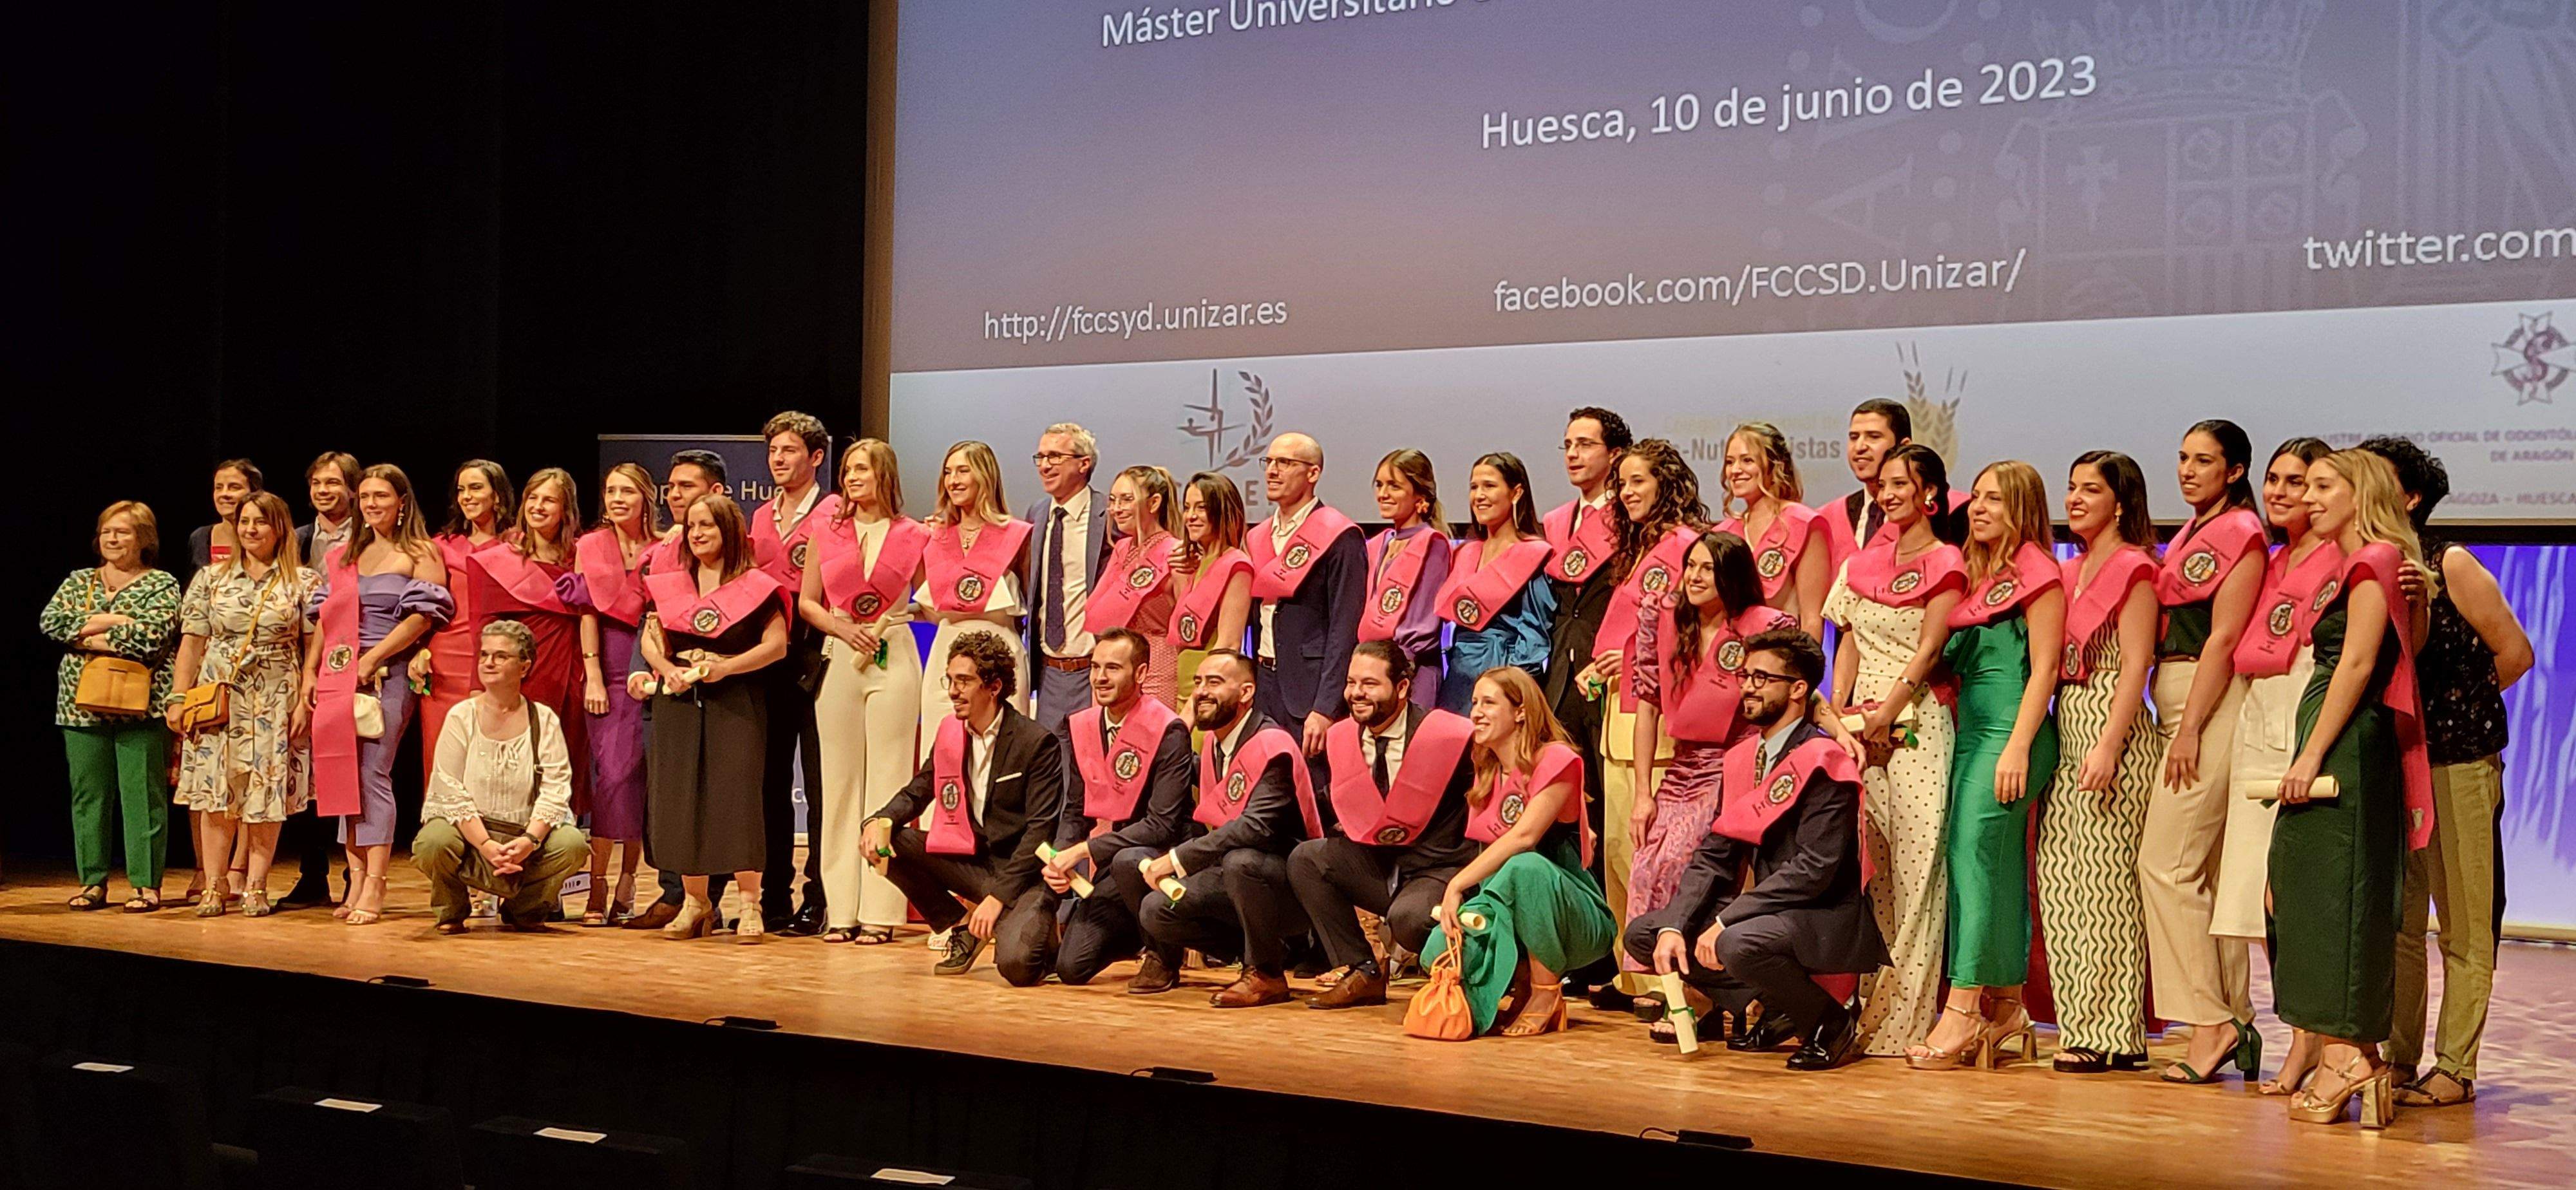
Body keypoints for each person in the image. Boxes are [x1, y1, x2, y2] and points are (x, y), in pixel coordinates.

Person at [2360, 437, 2531, 1110]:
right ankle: (2400, 1057)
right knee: (2401, 922)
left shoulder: (2448, 562)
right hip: (2394, 762)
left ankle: (2455, 1066)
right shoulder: (2368, 565)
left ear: (2407, 497)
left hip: (2456, 763)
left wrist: (2457, 712)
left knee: (2462, 923)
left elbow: (2514, 653)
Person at [1626, 628, 1882, 1070]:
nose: (1748, 687)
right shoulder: (1744, 757)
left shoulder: (1824, 759)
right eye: (1746, 676)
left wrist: (1728, 918)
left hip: (1822, 915)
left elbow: (1815, 869)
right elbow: (1715, 854)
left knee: (1738, 942)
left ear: (1799, 690)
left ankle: (1829, 1023)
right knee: (1647, 934)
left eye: (1762, 678)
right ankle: (1782, 1006)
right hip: (1770, 913)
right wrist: (1675, 923)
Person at [2271, 449, 2436, 1128]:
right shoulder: (2356, 564)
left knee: (2341, 897)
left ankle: (2347, 1056)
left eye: (2321, 486)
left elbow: (2367, 661)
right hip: (2331, 724)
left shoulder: (2370, 562)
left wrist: (2311, 754)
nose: (2307, 497)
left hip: (2346, 738)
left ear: (2357, 492)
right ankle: (2347, 1049)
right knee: (2309, 888)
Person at [1908, 461, 2062, 1070]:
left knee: (1970, 859)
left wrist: (2020, 744)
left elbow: (2045, 668)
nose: (1979, 509)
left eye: (1995, 500)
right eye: (1977, 499)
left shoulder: (2039, 574)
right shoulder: (1975, 574)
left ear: (2021, 507)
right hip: (1971, 734)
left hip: (2010, 735)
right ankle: (2006, 1007)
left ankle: (1963, 1008)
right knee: (1989, 868)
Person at [1823, 442, 1965, 1056]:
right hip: (1860, 725)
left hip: (1916, 722)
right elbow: (1848, 638)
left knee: (1916, 873)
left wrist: (1888, 710)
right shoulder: (1860, 562)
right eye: (1882, 484)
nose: (1888, 494)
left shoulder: (1947, 560)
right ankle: (1864, 1008)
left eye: (1901, 483)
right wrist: (1837, 711)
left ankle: (1902, 1021)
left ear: (1930, 492)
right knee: (1872, 873)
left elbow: (1931, 648)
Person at [2141, 419, 2271, 1084]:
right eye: (2183, 457)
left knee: (2164, 863)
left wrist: (2191, 726)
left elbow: (2223, 638)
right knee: (2208, 878)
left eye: (2204, 461)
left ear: (2235, 470)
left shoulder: (2243, 534)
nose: (2187, 470)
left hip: (2209, 696)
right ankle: (2234, 1021)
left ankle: (2207, 1023)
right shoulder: (2189, 532)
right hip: (2178, 690)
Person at [1623, 531, 1794, 999]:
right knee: (1648, 865)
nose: (1694, 578)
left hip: (1738, 763)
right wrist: (1643, 791)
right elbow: (1648, 705)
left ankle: (1700, 992)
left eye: (1707, 569)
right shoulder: (1664, 619)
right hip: (1681, 766)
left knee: (1691, 862)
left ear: (1731, 577)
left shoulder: (1761, 626)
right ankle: (1673, 980)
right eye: (1690, 567)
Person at [2035, 451, 2162, 1072]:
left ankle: (2117, 1034)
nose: (2076, 498)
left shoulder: (2135, 569)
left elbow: (2137, 663)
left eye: (2091, 489)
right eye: (2071, 486)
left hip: (2116, 730)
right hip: (2070, 721)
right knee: (2064, 879)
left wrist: (2109, 744)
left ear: (2121, 500)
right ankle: (2078, 1024)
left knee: (2109, 885)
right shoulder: (2070, 570)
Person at [2219, 437, 2338, 1093]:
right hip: (2257, 710)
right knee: (2257, 898)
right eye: (2274, 480)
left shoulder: (2343, 559)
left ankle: (2310, 1039)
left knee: (2289, 891)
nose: (2282, 492)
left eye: (2299, 482)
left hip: (2304, 706)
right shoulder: (2269, 559)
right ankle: (2300, 1031)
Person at [1568, 437, 1702, 1001]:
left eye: (1638, 481)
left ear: (1666, 483)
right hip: (1618, 715)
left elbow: (1686, 639)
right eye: (1622, 484)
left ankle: (1666, 980)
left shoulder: (1688, 547)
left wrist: (1621, 662)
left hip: (1661, 721)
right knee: (1622, 851)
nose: (1627, 492)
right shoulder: (1639, 550)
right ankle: (1632, 973)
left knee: (1655, 854)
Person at [1417, 665, 1615, 1037]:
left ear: (1520, 711)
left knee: (1525, 868)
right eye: (1474, 702)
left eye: (1489, 703)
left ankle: (1545, 992)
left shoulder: (1556, 758)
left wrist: (1456, 886)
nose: (1476, 711)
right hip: (1505, 902)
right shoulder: (1488, 769)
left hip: (1575, 916)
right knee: (1436, 950)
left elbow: (1524, 838)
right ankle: (1519, 984)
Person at [861, 631, 1065, 982]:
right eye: (951, 680)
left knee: (1018, 966)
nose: (953, 692)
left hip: (1023, 871)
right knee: (889, 840)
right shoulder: (951, 733)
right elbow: (919, 790)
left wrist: (998, 898)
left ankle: (1036, 930)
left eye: (965, 681)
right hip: (974, 861)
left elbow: (1040, 834)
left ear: (994, 687)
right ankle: (961, 926)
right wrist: (878, 819)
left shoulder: (1036, 743)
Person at [1290, 641, 1479, 1007]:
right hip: (1381, 865)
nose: (1357, 694)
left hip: (1439, 868)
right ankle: (1363, 972)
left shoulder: (1447, 737)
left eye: (1370, 684)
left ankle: (1466, 977)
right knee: (1307, 859)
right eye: (1351, 682)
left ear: (1403, 689)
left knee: (1408, 919)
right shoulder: (1341, 738)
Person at [306, 464, 453, 927]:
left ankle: (377, 883)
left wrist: (372, 660)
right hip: (337, 673)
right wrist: (312, 671)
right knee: (338, 773)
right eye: (366, 496)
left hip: (385, 672)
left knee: (373, 771)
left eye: (382, 497)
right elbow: (325, 618)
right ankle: (354, 877)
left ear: (402, 502)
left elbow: (423, 618)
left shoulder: (420, 551)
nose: (372, 504)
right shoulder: (349, 553)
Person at [1133, 649, 1320, 1006]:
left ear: (1246, 693)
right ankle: (1260, 950)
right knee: (1156, 910)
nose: (1202, 691)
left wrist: (1176, 859)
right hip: (1237, 882)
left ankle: (1266, 973)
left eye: (1215, 683)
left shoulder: (1272, 745)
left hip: (1289, 886)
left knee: (1242, 861)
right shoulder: (1214, 746)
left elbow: (1255, 828)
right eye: (1199, 682)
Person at [642, 493, 788, 943]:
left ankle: (750, 905)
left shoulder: (756, 585)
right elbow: (651, 640)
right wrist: (668, 671)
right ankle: (696, 903)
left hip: (736, 698)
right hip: (679, 699)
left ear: (729, 530)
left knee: (737, 799)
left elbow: (777, 645)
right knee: (682, 797)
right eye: (691, 526)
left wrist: (726, 667)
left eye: (707, 525)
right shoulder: (672, 584)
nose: (699, 534)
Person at [167, 492, 318, 918]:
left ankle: (255, 885)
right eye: (245, 522)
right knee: (217, 793)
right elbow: (192, 642)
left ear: (280, 529)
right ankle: (214, 884)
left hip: (276, 695)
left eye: (261, 522)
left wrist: (306, 698)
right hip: (220, 694)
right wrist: (179, 697)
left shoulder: (303, 582)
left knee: (265, 792)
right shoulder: (212, 579)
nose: (251, 529)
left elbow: (313, 645)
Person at [802, 439, 929, 945]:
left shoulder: (914, 534)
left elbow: (933, 594)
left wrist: (898, 618)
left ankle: (881, 908)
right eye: (849, 469)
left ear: (885, 476)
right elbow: (808, 603)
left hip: (893, 653)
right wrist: (840, 627)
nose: (852, 477)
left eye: (863, 469)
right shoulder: (826, 532)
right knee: (839, 786)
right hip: (841, 657)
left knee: (888, 781)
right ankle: (842, 910)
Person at [44, 501, 182, 912]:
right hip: (80, 705)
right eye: (107, 532)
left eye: (122, 532)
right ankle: (92, 881)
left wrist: (84, 634)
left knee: (142, 794)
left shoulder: (161, 584)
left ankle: (144, 885)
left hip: (141, 705)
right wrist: (113, 622)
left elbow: (151, 637)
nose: (113, 539)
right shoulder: (78, 580)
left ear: (144, 538)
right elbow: (51, 623)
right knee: (89, 797)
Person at [414, 619, 591, 933]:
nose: (489, 663)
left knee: (572, 843)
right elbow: (448, 787)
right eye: (484, 655)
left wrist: (529, 841)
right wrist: (484, 844)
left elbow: (555, 788)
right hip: (472, 835)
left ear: (524, 667)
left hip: (523, 836)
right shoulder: (462, 715)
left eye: (500, 656)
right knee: (434, 840)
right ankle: (451, 909)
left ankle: (525, 910)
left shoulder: (543, 719)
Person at [622, 448, 734, 933]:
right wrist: (646, 668)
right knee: (666, 787)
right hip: (663, 676)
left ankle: (710, 897)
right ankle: (674, 891)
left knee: (715, 794)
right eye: (670, 487)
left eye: (685, 487)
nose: (673, 496)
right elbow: (651, 619)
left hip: (718, 683)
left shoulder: (735, 552)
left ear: (715, 492)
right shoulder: (665, 549)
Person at [1046, 628, 1197, 985]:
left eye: (1112, 668)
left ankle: (1164, 955)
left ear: (1141, 674)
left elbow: (1162, 825)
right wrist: (1061, 856)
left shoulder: (1169, 729)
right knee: (1072, 969)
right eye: (1096, 667)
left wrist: (1085, 850)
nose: (1100, 677)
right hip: (1114, 862)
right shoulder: (1083, 726)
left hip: (1161, 857)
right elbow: (1075, 809)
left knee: (1133, 861)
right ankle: (1136, 927)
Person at [1540, 407, 1630, 999]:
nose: (1572, 454)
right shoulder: (1553, 520)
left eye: (1585, 444)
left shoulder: (1630, 520)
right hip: (1559, 673)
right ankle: (1570, 939)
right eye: (1566, 444)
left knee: (1609, 814)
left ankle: (1610, 954)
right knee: (1567, 809)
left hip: (1611, 674)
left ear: (1616, 455)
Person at [750, 411, 840, 936]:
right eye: (774, 452)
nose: (779, 460)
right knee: (770, 782)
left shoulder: (832, 513)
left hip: (817, 654)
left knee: (821, 783)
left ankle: (820, 893)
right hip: (768, 660)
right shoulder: (761, 517)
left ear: (815, 457)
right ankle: (773, 893)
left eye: (789, 451)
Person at [473, 468, 595, 853]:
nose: (539, 507)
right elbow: (486, 625)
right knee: (516, 767)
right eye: (533, 498)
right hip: (522, 674)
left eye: (550, 500)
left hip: (571, 672)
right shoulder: (499, 559)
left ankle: (552, 871)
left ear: (566, 509)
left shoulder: (583, 555)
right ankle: (503, 859)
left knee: (564, 764)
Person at [1247, 432, 1365, 767]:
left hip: (1309, 692)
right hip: (1264, 683)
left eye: (1285, 463)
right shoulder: (1258, 536)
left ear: (1313, 473)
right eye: (1269, 462)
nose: (1272, 471)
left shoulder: (1339, 535)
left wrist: (1326, 707)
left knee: (1312, 796)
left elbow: (1346, 628)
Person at [574, 461, 658, 925]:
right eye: (610, 491)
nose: (617, 499)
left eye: (627, 491)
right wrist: (592, 675)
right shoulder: (591, 546)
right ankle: (597, 884)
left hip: (648, 662)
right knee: (610, 776)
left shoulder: (664, 547)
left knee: (638, 777)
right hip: (605, 663)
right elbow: (587, 611)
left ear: (646, 496)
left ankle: (629, 882)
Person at [274, 451, 359, 908]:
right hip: (306, 664)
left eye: (333, 483)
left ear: (352, 488)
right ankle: (312, 874)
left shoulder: (370, 537)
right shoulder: (297, 539)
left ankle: (355, 873)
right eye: (316, 484)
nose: (324, 491)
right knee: (307, 773)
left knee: (351, 771)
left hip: (356, 661)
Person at [918, 440, 1033, 738]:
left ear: (985, 475)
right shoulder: (935, 536)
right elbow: (931, 610)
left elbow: (1031, 603)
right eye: (948, 472)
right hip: (946, 653)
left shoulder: (1018, 535)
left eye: (963, 471)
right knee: (943, 747)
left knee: (1002, 749)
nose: (953, 480)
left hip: (1001, 654)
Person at [415, 460, 516, 786]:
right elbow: (424, 609)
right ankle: (441, 834)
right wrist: (420, 650)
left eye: (476, 488)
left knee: (492, 759)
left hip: (498, 661)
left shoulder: (517, 545)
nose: (467, 497)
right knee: (442, 755)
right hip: (445, 664)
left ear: (497, 496)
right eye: (461, 489)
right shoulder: (442, 545)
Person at [1434, 451, 1557, 712]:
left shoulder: (1533, 555)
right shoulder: (1465, 552)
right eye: (1474, 487)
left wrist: (1510, 689)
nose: (1479, 496)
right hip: (1458, 677)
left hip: (1503, 676)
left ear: (1516, 493)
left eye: (1489, 486)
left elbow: (1534, 636)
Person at [1025, 422, 1111, 732]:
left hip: (1094, 670)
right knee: (1050, 770)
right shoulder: (1037, 513)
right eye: (1041, 457)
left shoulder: (1108, 514)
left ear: (1084, 463)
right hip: (1048, 674)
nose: (1045, 465)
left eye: (1055, 456)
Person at [1714, 422, 1833, 640]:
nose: (1736, 470)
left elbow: (1812, 618)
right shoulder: (1723, 533)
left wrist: (1803, 673)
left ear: (1774, 466)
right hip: (1729, 661)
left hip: (1781, 661)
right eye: (1730, 462)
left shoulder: (1804, 523)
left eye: (1747, 460)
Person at [1083, 465, 1185, 710]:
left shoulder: (1176, 553)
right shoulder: (1121, 548)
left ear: (1154, 503)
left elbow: (1185, 626)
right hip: (1113, 666)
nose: (1116, 509)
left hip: (1156, 667)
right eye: (1113, 500)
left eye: (1127, 500)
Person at [1358, 449, 1454, 707]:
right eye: (1379, 485)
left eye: (1394, 486)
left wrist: (1392, 666)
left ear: (1420, 496)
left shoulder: (1433, 543)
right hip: (1373, 670)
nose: (1383, 494)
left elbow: (1424, 622)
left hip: (1412, 672)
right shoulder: (1377, 544)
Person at [1169, 471, 1254, 712]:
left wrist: (1192, 710)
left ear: (1222, 512)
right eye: (1187, 508)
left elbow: (1228, 644)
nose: (1191, 517)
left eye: (1201, 508)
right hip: (1183, 689)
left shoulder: (1237, 565)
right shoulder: (1196, 565)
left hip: (1206, 698)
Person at [1821, 399, 1909, 567]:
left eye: (1874, 437)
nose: (1860, 447)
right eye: (1854, 437)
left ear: (1904, 447)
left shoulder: (1942, 513)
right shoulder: (1828, 518)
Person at [187, 458, 262, 574]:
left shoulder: (268, 536)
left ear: (255, 492)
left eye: (234, 487)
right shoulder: (200, 537)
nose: (224, 494)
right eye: (219, 487)